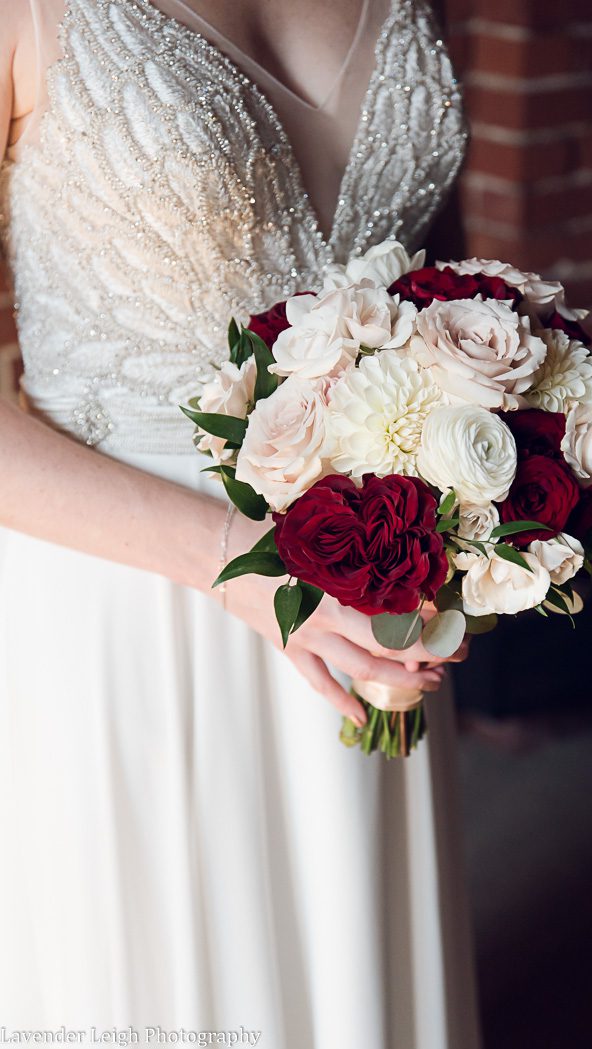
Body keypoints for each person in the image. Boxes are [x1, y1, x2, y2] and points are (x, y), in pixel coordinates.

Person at [0, 1, 479, 1045]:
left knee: (354, 958)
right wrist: (239, 560)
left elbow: (444, 287)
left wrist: (485, 494)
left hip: (374, 581)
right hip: (130, 611)